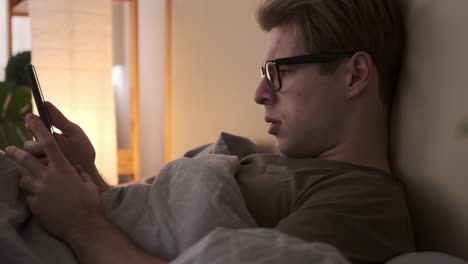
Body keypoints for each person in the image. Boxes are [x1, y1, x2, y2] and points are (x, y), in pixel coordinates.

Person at [4, 0, 415, 263]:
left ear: (355, 75)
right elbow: (149, 228)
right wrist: (88, 174)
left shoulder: (366, 199)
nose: (259, 94)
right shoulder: (276, 163)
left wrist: (79, 223)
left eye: (279, 72)